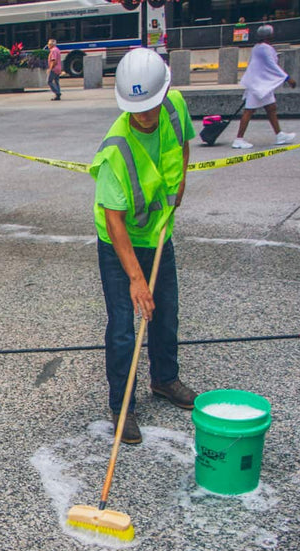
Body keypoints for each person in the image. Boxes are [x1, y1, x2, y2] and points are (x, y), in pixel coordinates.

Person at [90, 48, 198, 445]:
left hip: (158, 231)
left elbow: (183, 143)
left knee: (165, 310)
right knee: (123, 325)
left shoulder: (174, 105)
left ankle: (165, 380)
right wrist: (136, 279)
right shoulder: (114, 150)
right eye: (138, 108)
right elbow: (114, 221)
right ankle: (122, 407)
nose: (146, 115)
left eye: (151, 105)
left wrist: (182, 180)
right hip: (119, 242)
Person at [233, 24, 297, 149]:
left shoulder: (258, 47)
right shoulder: (264, 48)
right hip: (257, 85)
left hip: (260, 84)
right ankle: (238, 139)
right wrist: (288, 79)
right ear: (269, 36)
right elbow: (272, 65)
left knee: (271, 108)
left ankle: (279, 135)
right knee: (249, 111)